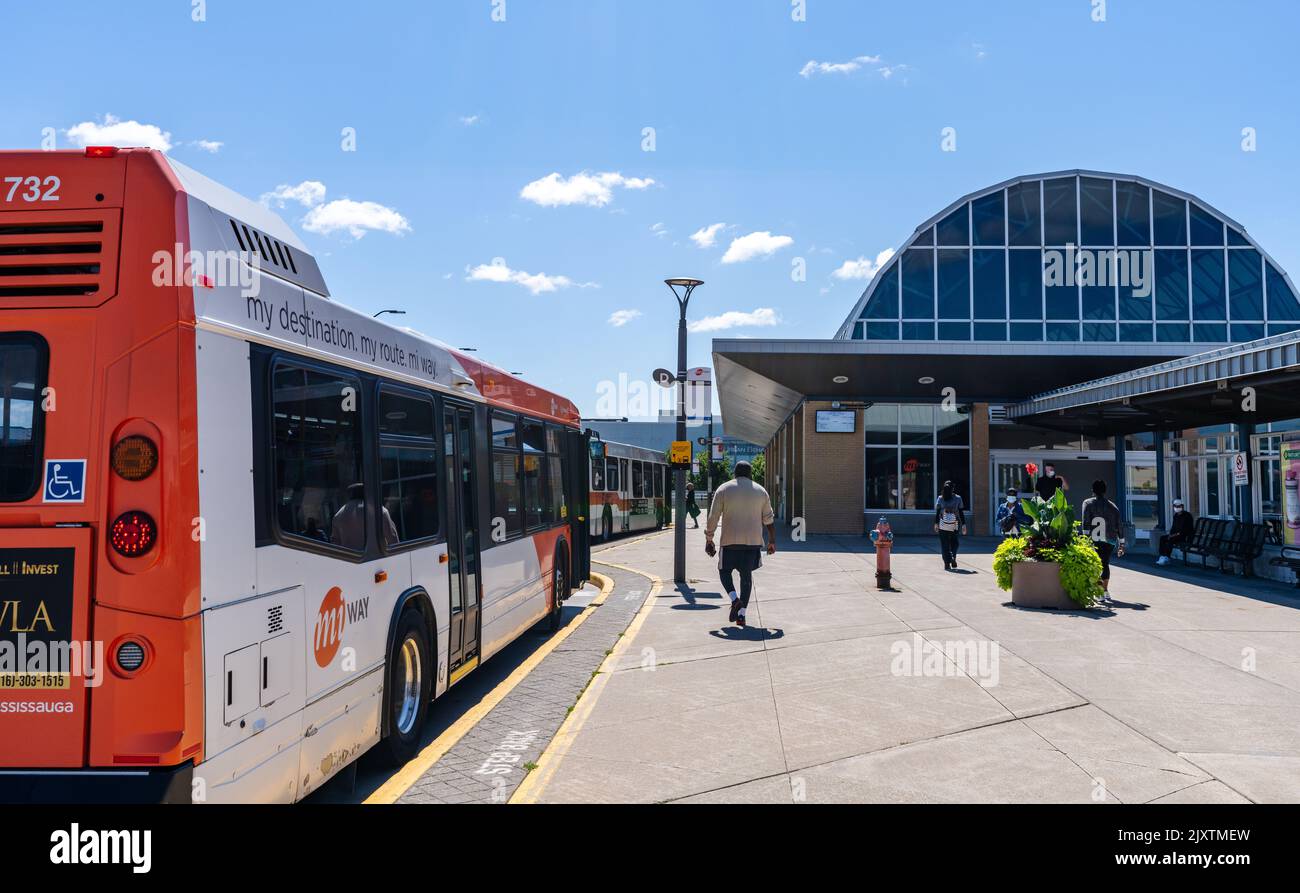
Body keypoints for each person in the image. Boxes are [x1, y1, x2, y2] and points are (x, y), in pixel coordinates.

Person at [704, 461, 776, 629]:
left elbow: (713, 516)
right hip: (752, 543)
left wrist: (709, 538)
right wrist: (772, 541)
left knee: (724, 572)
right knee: (746, 577)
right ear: (750, 474)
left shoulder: (724, 489)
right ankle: (742, 615)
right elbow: (769, 520)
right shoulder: (761, 491)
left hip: (729, 542)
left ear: (735, 474)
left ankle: (734, 599)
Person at [1081, 479, 1125, 606]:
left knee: (1096, 565)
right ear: (1105, 491)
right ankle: (1105, 591)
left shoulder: (1087, 503)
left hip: (1094, 538)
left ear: (1092, 490)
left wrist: (1085, 539)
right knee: (1105, 563)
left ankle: (1100, 592)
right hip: (1110, 539)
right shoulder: (1113, 506)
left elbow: (1086, 522)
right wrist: (1122, 544)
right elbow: (1119, 525)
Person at [331, 482, 399, 550]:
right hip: (377, 557)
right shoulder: (379, 510)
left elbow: (335, 544)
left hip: (350, 558)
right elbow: (392, 538)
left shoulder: (338, 515)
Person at [933, 480, 967, 570]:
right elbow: (960, 512)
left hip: (943, 524)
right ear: (953, 488)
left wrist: (936, 523)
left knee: (944, 544)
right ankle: (952, 557)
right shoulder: (958, 498)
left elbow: (937, 511)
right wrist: (964, 524)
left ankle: (947, 564)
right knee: (954, 543)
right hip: (954, 524)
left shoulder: (940, 498)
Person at [1157, 499, 1194, 565]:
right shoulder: (1176, 516)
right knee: (1163, 538)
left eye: (1178, 506)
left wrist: (1173, 535)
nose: (1177, 508)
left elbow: (1185, 530)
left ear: (1182, 506)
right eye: (1175, 506)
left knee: (1170, 540)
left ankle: (1167, 557)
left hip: (1184, 536)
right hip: (1175, 535)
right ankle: (1162, 556)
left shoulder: (1187, 516)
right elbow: (1173, 528)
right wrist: (1171, 534)